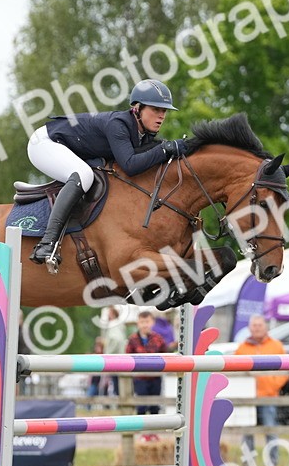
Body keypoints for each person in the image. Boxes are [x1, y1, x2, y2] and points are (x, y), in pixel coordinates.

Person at [26, 79, 187, 271]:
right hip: (44, 144)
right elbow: (130, 165)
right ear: (137, 108)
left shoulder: (141, 132)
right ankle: (47, 243)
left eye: (164, 111)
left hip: (67, 146)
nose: (161, 116)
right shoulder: (118, 124)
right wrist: (164, 150)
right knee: (84, 175)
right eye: (156, 110)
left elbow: (148, 153)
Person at [234, 314, 289, 464]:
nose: (257, 328)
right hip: (248, 397)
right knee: (247, 431)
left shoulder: (276, 346)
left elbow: (285, 370)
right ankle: (248, 461)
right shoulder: (242, 348)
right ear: (249, 328)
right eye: (254, 325)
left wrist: (273, 384)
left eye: (259, 325)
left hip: (269, 395)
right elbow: (235, 371)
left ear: (265, 327)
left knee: (271, 429)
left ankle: (273, 461)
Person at [126, 311, 168, 423]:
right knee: (141, 405)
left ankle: (153, 432)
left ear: (152, 322)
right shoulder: (132, 339)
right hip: (139, 378)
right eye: (142, 322)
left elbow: (165, 355)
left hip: (155, 377)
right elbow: (127, 357)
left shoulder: (158, 339)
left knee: (155, 406)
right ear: (138, 323)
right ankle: (142, 432)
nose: (145, 325)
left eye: (147, 322)